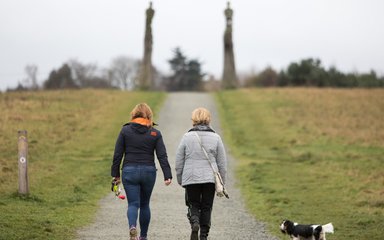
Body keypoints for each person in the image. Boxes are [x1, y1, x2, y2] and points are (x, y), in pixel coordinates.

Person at [111, 103, 172, 240]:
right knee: (145, 204)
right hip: (148, 172)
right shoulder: (155, 133)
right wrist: (167, 175)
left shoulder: (125, 131)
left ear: (133, 115)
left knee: (133, 204)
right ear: (149, 116)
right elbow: (162, 155)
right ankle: (143, 237)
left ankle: (132, 226)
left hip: (129, 171)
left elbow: (117, 154)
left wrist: (115, 174)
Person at [175, 107, 227, 240]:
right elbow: (222, 163)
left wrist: (181, 179)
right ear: (208, 119)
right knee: (207, 206)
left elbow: (179, 161)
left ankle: (195, 223)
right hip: (210, 178)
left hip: (191, 178)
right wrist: (221, 182)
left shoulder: (187, 137)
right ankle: (203, 235)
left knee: (193, 203)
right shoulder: (216, 137)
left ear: (194, 120)